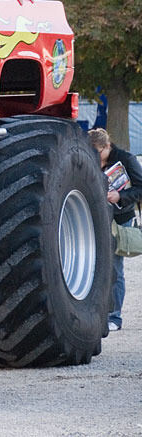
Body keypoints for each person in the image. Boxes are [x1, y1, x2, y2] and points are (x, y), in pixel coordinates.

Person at [87, 128, 142, 332]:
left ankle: (115, 317)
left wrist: (120, 197)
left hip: (120, 219)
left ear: (107, 146)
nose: (96, 158)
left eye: (99, 153)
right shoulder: (90, 157)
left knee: (115, 269)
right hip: (96, 218)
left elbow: (141, 187)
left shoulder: (126, 159)